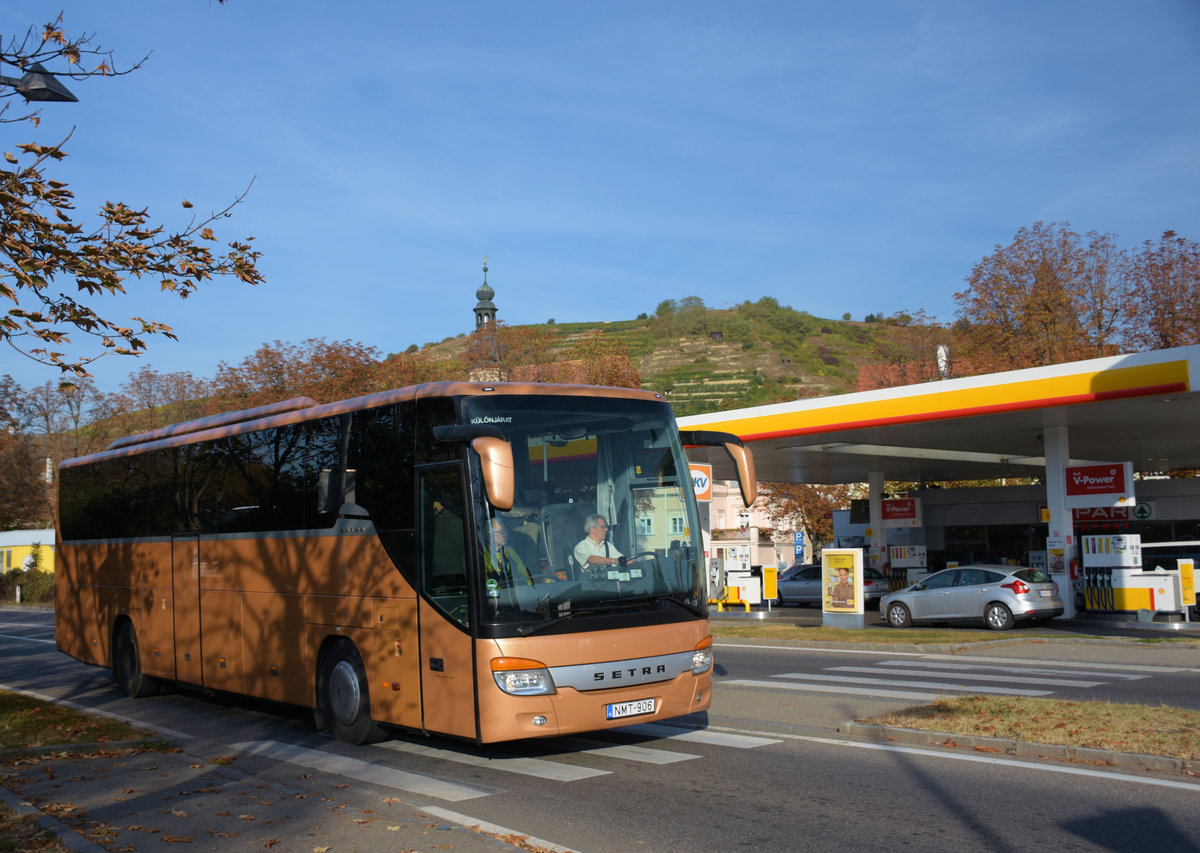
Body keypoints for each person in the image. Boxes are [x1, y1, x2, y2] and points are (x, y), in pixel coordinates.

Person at [487, 520, 534, 587]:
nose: (505, 534)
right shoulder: (484, 555)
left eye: (505, 530)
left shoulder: (510, 551)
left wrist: (532, 590)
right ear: (489, 534)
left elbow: (524, 572)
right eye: (501, 532)